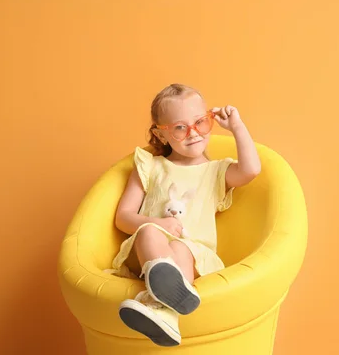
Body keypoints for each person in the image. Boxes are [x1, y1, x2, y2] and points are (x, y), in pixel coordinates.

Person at [110, 83, 261, 347]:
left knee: (180, 249)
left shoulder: (215, 172)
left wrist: (237, 126)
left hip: (191, 255)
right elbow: (123, 217)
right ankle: (166, 297)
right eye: (180, 127)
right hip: (146, 250)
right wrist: (155, 223)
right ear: (161, 134)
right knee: (149, 233)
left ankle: (164, 312)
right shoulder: (150, 166)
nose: (193, 133)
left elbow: (251, 170)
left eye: (200, 122)